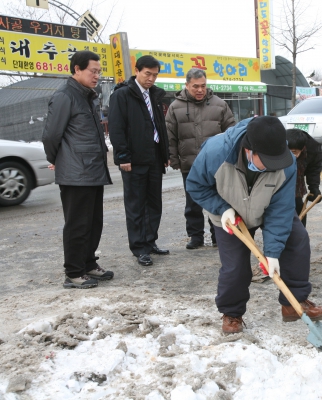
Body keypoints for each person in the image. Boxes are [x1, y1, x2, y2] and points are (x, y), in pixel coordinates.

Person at [185, 116, 322, 333]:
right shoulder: (216, 153)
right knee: (235, 266)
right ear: (249, 151)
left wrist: (272, 252)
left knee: (297, 240)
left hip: (267, 205)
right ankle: (232, 313)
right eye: (268, 161)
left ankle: (293, 303)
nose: (275, 166)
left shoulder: (287, 163)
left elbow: (280, 210)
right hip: (229, 213)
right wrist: (221, 208)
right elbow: (196, 185)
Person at [42, 50, 114, 289]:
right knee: (77, 224)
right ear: (77, 69)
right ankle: (73, 272)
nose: (97, 76)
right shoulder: (65, 96)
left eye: (99, 72)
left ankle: (88, 263)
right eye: (93, 71)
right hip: (76, 172)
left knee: (94, 222)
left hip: (93, 169)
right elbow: (51, 135)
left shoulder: (87, 97)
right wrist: (57, 159)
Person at [109, 55, 170, 266]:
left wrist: (164, 154)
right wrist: (122, 156)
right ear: (137, 71)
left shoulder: (154, 95)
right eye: (147, 74)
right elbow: (116, 128)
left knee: (154, 203)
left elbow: (159, 126)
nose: (151, 79)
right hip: (133, 160)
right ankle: (139, 247)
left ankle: (150, 241)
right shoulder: (122, 95)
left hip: (153, 156)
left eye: (155, 75)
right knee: (136, 205)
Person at [166, 68, 235, 249]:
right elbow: (170, 136)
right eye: (195, 86)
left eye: (203, 86)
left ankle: (218, 235)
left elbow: (232, 133)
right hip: (190, 164)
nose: (200, 90)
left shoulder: (220, 105)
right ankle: (195, 236)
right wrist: (173, 158)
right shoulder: (175, 107)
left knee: (219, 200)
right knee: (192, 203)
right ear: (187, 85)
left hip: (217, 165)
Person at [285, 128, 322, 227]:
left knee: (298, 210)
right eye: (288, 152)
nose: (292, 155)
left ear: (302, 149)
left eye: (294, 152)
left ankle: (299, 232)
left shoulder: (313, 149)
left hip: (298, 179)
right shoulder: (277, 146)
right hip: (280, 181)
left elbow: (314, 169)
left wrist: (314, 188)